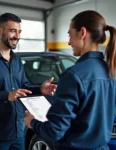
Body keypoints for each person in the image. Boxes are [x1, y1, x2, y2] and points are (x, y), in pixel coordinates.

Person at [24, 10, 116, 150]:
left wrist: (33, 122)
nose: (68, 41)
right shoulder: (110, 72)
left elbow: (55, 131)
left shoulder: (73, 75)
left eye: (70, 34)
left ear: (82, 33)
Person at [0, 13, 56, 150]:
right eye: (12, 31)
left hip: (18, 133)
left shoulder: (16, 60)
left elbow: (24, 86)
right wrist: (7, 95)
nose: (17, 36)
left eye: (19, 31)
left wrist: (40, 89)